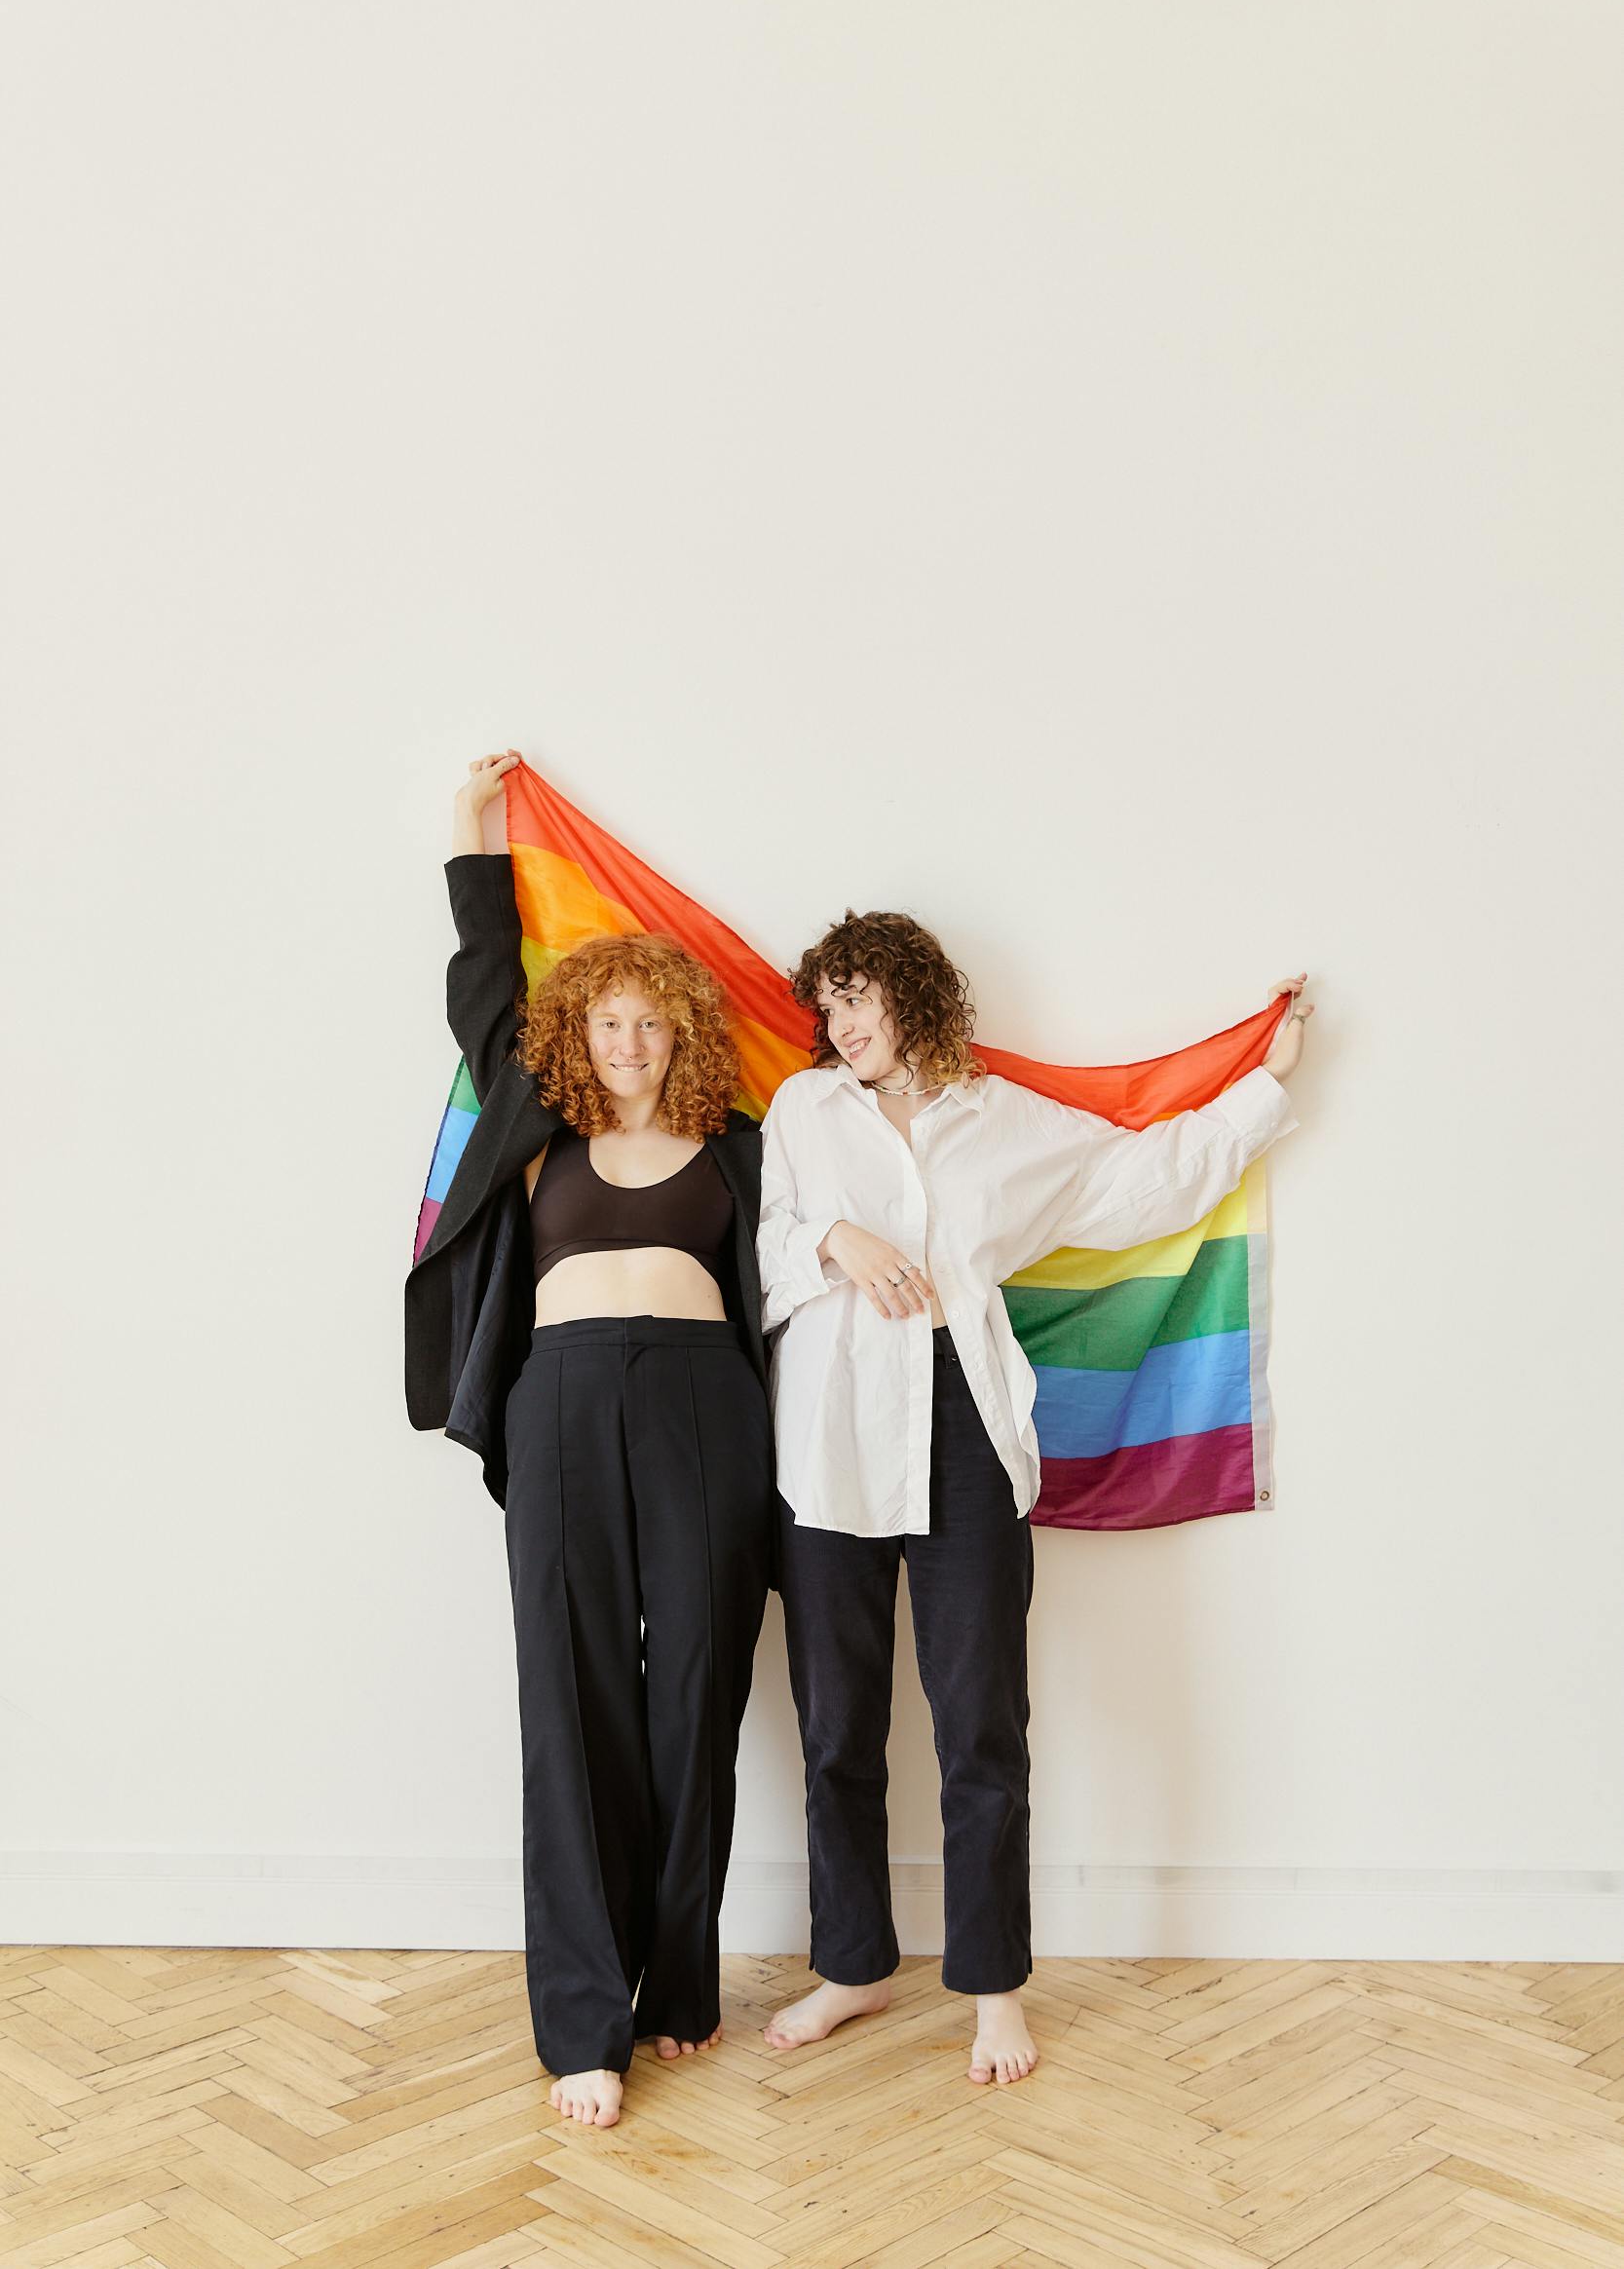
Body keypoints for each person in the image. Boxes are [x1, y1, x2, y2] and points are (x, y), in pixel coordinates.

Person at [756, 909, 1313, 2086]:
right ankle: (853, 1964)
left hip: (962, 1421)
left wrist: (1261, 1085)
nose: (842, 1024)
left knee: (979, 1725)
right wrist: (832, 1242)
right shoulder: (804, 1109)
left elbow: (1144, 1179)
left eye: (860, 997)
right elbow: (760, 1243)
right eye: (830, 1005)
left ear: (913, 995)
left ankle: (992, 1988)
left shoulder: (1002, 1121)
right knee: (838, 1725)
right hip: (829, 1438)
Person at [404, 752, 774, 2131]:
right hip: (556, 1407)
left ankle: (675, 1981)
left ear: (681, 1031)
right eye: (606, 1023)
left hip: (704, 1415)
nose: (626, 1044)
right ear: (578, 1032)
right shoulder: (533, 1127)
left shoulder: (740, 1149)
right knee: (569, 1706)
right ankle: (579, 2025)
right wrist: (469, 830)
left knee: (693, 1696)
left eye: (648, 1024)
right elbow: (483, 978)